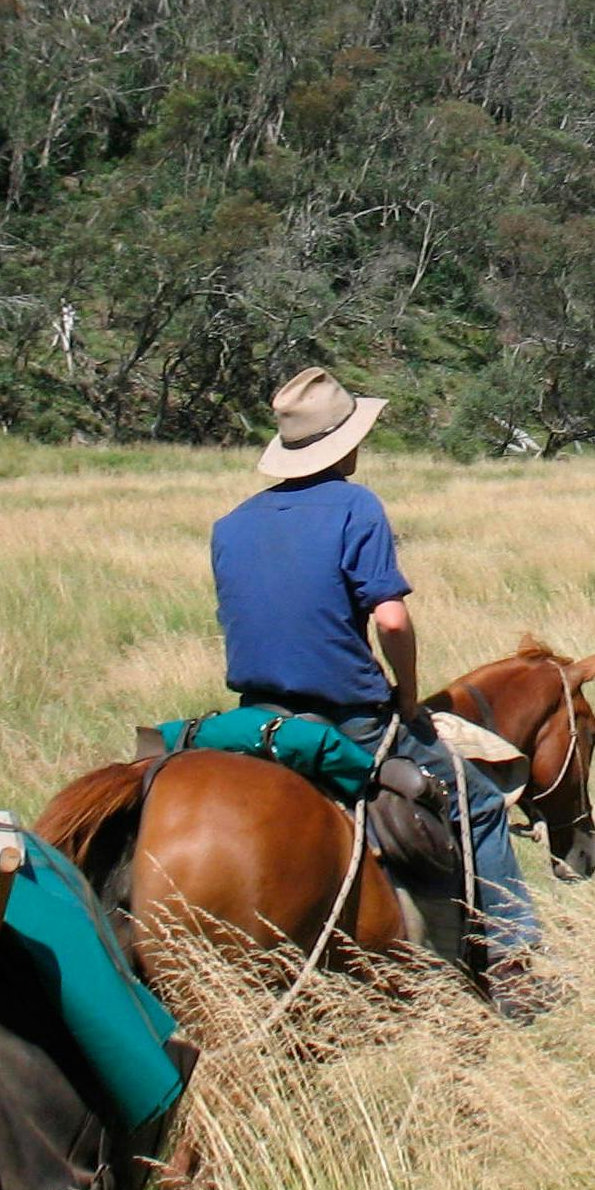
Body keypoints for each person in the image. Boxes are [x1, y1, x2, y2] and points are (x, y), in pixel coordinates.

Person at [210, 366, 541, 976]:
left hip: (255, 716)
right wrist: (409, 695)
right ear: (345, 442)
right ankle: (516, 959)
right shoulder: (356, 506)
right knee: (481, 805)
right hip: (349, 716)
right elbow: (390, 621)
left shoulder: (231, 524)